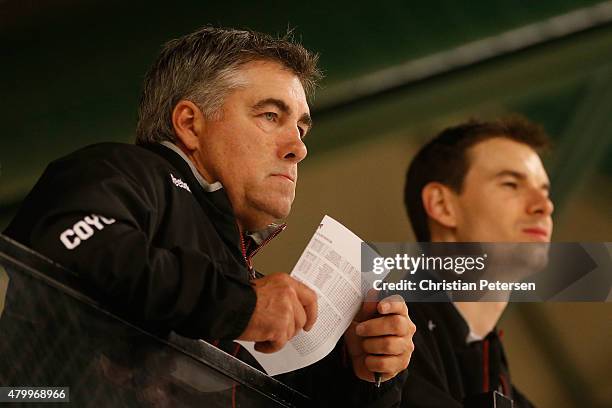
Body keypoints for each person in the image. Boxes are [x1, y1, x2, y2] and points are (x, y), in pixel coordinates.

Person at [4, 27, 414, 406]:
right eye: (270, 116)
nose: (298, 148)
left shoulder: (237, 284)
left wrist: (362, 369)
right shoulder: (120, 171)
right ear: (189, 124)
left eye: (301, 129)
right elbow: (76, 249)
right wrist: (239, 304)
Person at [400, 117, 553, 407]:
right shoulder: (368, 350)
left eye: (545, 191)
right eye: (511, 184)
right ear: (443, 206)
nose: (545, 206)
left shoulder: (512, 394)